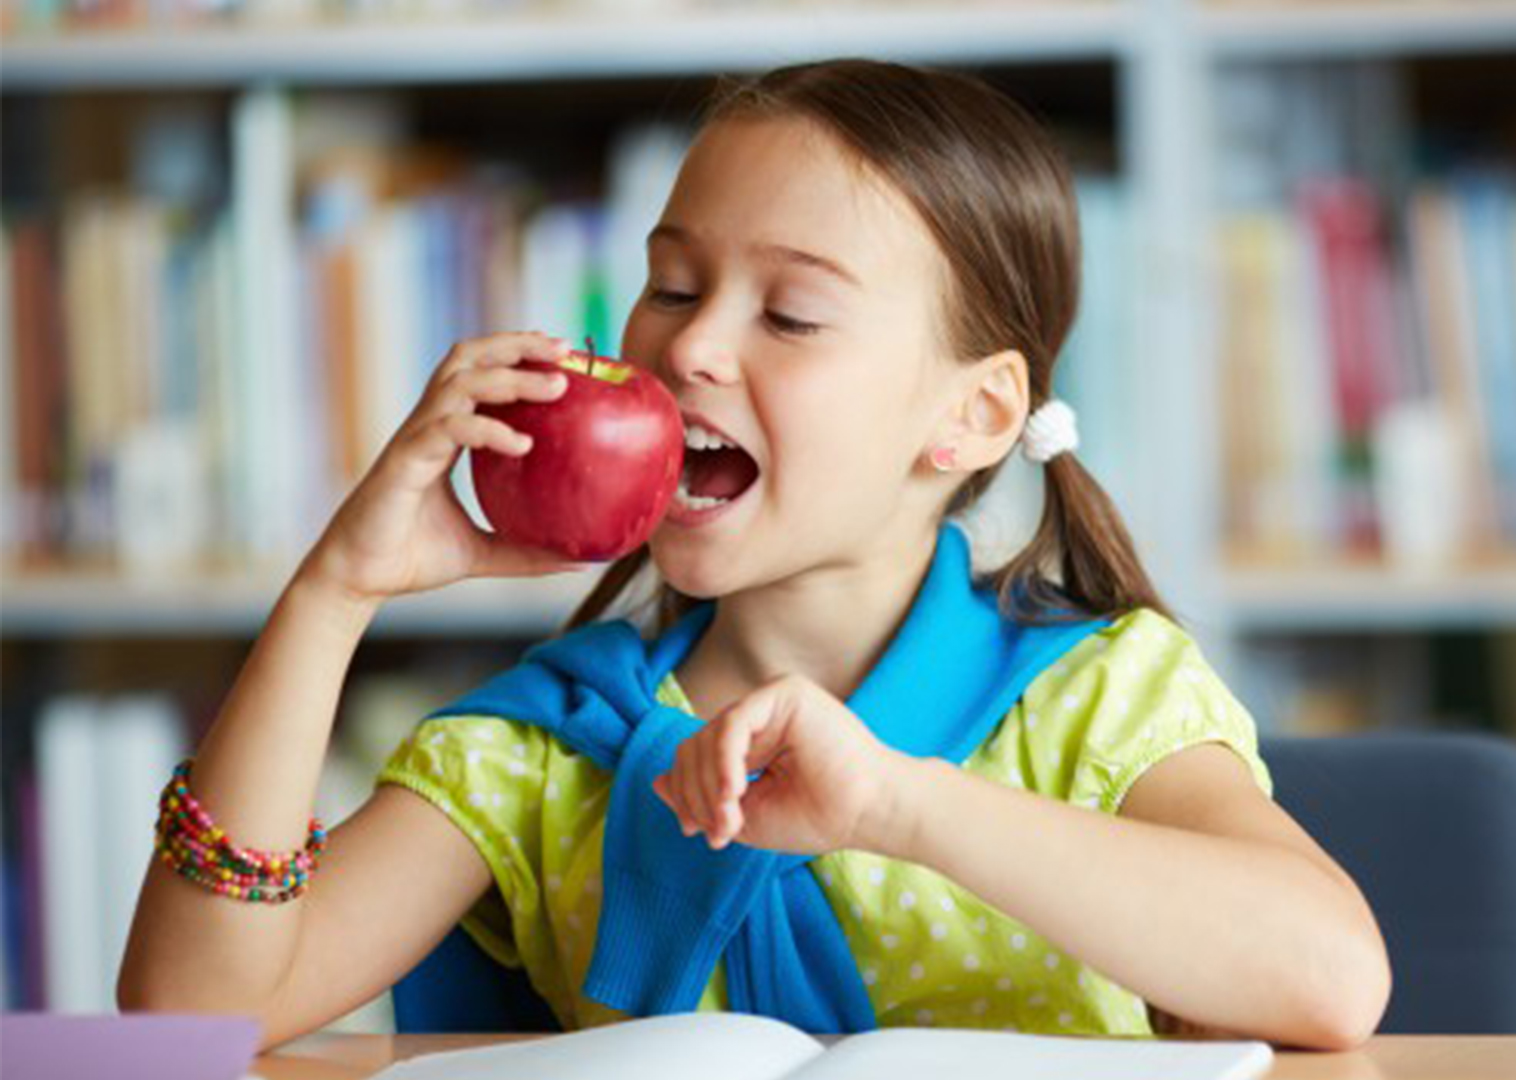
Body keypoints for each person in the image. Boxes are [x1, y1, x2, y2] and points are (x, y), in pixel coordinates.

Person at [119, 59, 1389, 1050]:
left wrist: (899, 805)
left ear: (974, 416)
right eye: (672, 287)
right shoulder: (543, 748)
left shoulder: (1100, 705)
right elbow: (193, 1017)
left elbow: (1331, 977)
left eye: (790, 313)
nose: (690, 350)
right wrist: (335, 593)